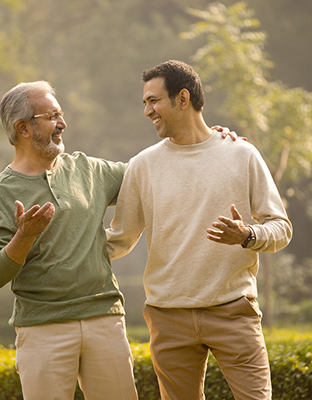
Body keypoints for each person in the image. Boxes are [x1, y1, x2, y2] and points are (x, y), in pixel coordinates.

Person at [106, 60, 293, 400]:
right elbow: (118, 240)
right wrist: (56, 246)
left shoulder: (242, 154)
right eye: (145, 103)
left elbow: (281, 228)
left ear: (182, 98)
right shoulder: (142, 166)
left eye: (153, 100)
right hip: (168, 316)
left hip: (233, 310)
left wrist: (248, 235)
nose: (147, 111)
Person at [0, 81, 138, 400]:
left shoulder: (90, 170)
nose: (62, 123)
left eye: (60, 114)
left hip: (103, 318)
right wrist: (24, 236)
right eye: (51, 116)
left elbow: (150, 174)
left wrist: (204, 139)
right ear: (23, 127)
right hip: (42, 329)